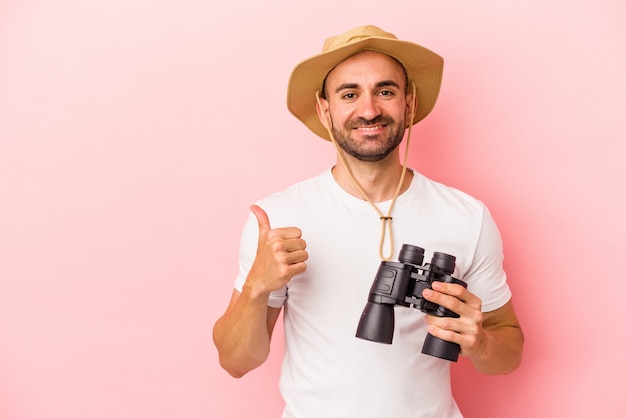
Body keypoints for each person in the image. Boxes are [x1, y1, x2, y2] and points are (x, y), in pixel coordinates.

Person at [213, 25, 524, 417]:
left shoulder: (466, 216)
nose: (369, 109)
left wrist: (481, 343)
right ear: (325, 110)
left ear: (408, 104)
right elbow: (235, 361)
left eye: (385, 91)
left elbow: (508, 354)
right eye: (349, 94)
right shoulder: (280, 218)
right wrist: (257, 288)